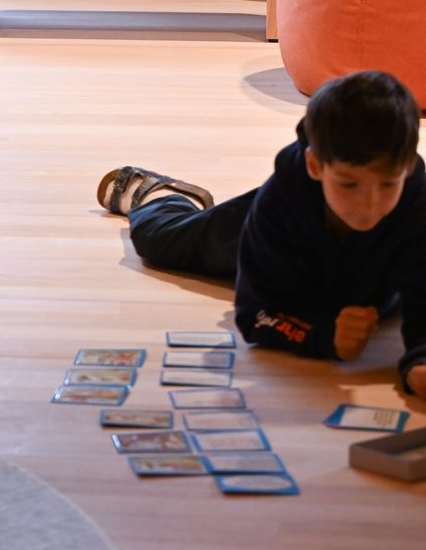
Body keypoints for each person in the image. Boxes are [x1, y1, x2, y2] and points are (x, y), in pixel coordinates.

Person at [99, 70, 426, 394]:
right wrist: (324, 336)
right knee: (161, 242)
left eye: (387, 184)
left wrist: (418, 360)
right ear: (315, 166)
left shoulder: (417, 204)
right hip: (284, 236)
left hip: (342, 272)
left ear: (406, 170)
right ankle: (160, 193)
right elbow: (255, 313)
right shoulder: (279, 202)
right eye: (349, 184)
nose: (368, 204)